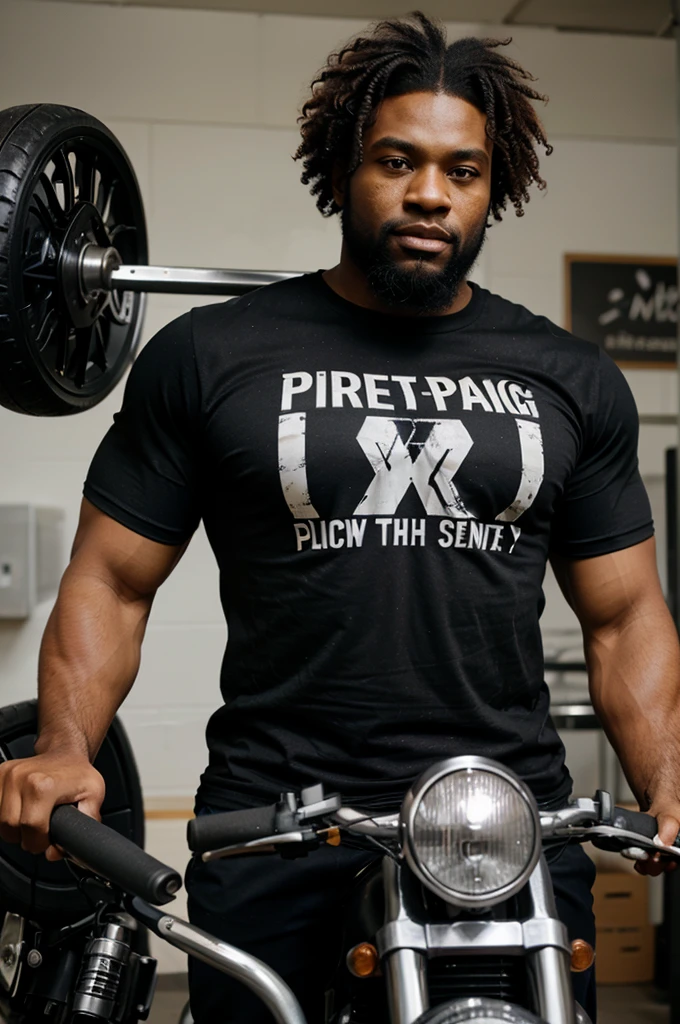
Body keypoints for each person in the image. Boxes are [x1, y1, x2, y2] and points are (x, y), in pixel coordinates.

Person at [0, 12, 678, 1023]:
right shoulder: (213, 359)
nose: (427, 195)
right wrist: (65, 746)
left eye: (461, 170)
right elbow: (112, 579)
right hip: (279, 827)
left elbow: (622, 616)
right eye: (395, 160)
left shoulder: (569, 375)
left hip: (508, 830)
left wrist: (665, 775)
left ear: (496, 187)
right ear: (341, 165)